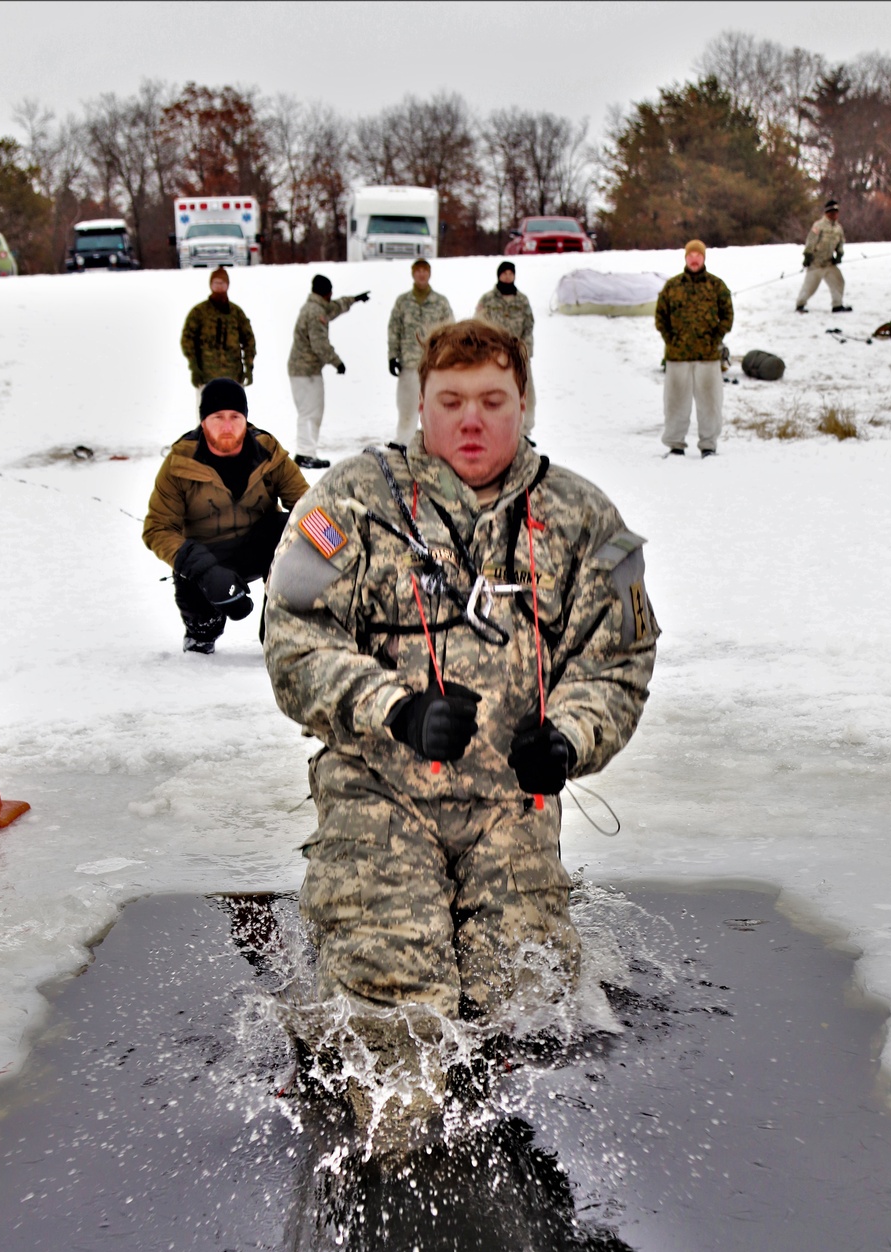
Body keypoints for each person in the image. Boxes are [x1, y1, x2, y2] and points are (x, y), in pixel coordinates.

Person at [264, 320, 658, 1108]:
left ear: (524, 403)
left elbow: (618, 658)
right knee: (395, 1008)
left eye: (492, 400)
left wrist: (569, 739)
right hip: (381, 795)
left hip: (509, 805)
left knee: (525, 1001)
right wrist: (395, 708)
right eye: (450, 400)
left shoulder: (581, 519)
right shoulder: (350, 501)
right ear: (420, 405)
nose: (471, 420)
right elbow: (293, 638)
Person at [143, 378, 308, 654]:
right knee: (196, 601)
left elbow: (309, 506)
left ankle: (280, 630)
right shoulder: (180, 462)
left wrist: (337, 550)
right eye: (218, 417)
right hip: (206, 559)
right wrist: (207, 571)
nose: (228, 426)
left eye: (235, 416)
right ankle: (201, 632)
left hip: (256, 548)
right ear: (203, 422)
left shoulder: (269, 452)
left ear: (245, 419)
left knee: (287, 529)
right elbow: (157, 528)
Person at [654, 240, 733, 459]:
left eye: (698, 255)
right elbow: (661, 317)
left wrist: (715, 338)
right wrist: (671, 340)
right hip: (678, 357)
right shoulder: (673, 286)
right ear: (685, 258)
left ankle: (708, 445)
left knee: (710, 403)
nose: (694, 259)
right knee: (675, 403)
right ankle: (675, 445)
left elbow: (727, 315)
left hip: (707, 357)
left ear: (704, 258)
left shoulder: (716, 286)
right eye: (691, 255)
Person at [287, 274, 370, 470]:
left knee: (309, 411)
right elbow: (320, 344)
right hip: (306, 371)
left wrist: (354, 300)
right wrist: (337, 362)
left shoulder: (315, 307)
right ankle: (305, 453)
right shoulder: (316, 313)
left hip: (303, 369)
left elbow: (334, 308)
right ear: (327, 292)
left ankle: (305, 452)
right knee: (310, 412)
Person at [387, 258, 454, 445]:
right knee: (407, 406)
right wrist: (392, 356)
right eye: (418, 271)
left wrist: (448, 358)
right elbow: (394, 329)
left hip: (434, 364)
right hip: (409, 363)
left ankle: (434, 441)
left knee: (434, 405)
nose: (421, 274)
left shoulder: (440, 302)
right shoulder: (403, 302)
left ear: (429, 274)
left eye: (425, 270)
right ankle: (404, 441)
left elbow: (450, 331)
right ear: (413, 274)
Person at [475, 261, 536, 438]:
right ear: (499, 275)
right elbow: (479, 323)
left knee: (525, 392)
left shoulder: (522, 300)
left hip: (518, 355)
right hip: (494, 356)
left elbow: (528, 326)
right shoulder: (487, 299)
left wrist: (524, 350)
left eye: (511, 273)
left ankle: (524, 431)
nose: (508, 276)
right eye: (504, 273)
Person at [180, 267, 256, 395]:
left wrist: (249, 367)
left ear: (228, 285)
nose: (219, 286)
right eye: (216, 283)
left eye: (222, 283)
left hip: (234, 376)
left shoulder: (236, 312)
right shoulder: (199, 312)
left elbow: (249, 340)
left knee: (233, 412)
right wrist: (194, 367)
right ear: (210, 285)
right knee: (208, 413)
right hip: (206, 376)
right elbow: (187, 340)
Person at [796, 200, 851, 314]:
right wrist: (807, 256)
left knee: (839, 282)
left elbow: (840, 243)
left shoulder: (838, 228)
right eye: (831, 212)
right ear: (826, 213)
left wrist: (839, 255)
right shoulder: (818, 226)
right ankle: (800, 305)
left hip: (829, 263)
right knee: (810, 287)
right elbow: (810, 242)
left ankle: (837, 305)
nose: (834, 215)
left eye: (836, 212)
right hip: (816, 263)